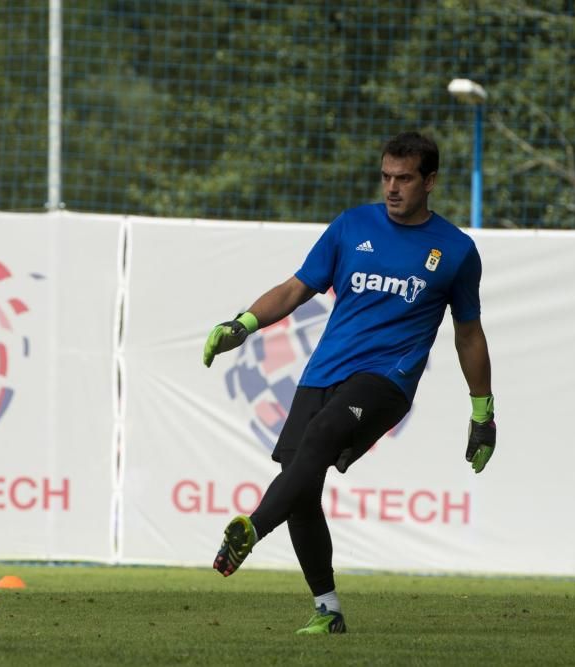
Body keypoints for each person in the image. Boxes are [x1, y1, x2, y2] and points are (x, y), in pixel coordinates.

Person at [201, 131, 496, 635]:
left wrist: (482, 414)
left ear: (430, 181)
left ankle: (252, 527)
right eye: (386, 176)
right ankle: (328, 610)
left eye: (404, 178)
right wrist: (242, 324)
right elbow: (297, 287)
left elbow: (468, 334)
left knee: (317, 441)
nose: (392, 188)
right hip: (323, 372)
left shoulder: (456, 251)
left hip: (386, 381)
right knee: (301, 483)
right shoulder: (351, 226)